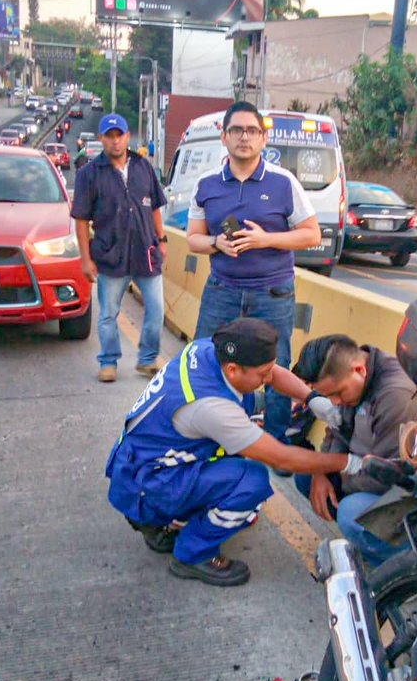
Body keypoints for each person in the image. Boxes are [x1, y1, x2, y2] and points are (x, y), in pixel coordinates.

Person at [106, 317, 367, 587]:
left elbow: (273, 373)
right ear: (233, 370)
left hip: (138, 465)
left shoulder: (208, 350)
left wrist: (312, 399)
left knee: (247, 404)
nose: (269, 377)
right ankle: (192, 554)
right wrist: (346, 462)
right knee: (252, 483)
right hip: (149, 485)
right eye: (262, 373)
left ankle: (158, 521)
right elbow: (280, 457)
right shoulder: (212, 407)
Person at [186, 101, 321, 440]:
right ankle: (211, 433)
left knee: (273, 365)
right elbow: (193, 240)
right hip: (222, 290)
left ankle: (275, 440)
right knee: (205, 357)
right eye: (236, 130)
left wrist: (265, 240)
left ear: (263, 138)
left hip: (273, 292)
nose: (243, 137)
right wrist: (217, 243)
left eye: (251, 131)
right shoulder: (206, 184)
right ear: (224, 137)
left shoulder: (283, 182)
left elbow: (312, 234)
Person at [291, 334, 417, 567]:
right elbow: (337, 428)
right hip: (359, 472)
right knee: (307, 476)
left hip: (401, 489)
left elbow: (386, 478)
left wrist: (337, 477)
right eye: (328, 395)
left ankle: (407, 566)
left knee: (350, 513)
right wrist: (321, 472)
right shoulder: (350, 382)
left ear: (359, 370)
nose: (335, 401)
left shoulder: (396, 396)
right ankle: (371, 545)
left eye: (338, 393)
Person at [71, 112, 166, 383]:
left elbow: (155, 205)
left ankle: (147, 359)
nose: (115, 142)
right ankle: (109, 361)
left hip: (146, 253)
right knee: (109, 313)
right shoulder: (89, 174)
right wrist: (85, 259)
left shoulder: (143, 167)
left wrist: (163, 240)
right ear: (101, 139)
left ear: (127, 136)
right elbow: (81, 220)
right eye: (109, 136)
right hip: (110, 255)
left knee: (156, 308)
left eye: (120, 135)